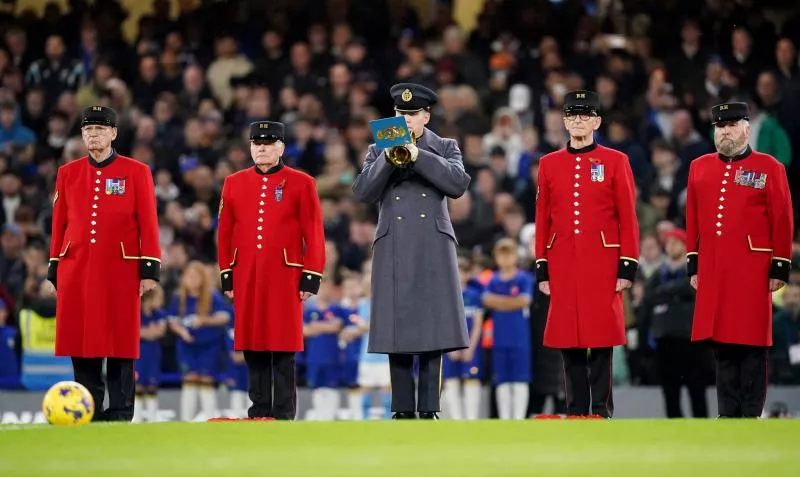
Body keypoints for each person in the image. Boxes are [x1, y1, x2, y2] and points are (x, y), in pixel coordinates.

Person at [352, 82, 472, 419]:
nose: (404, 120)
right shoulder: (379, 147)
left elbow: (458, 184)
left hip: (433, 244)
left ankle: (430, 407)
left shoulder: (446, 146)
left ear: (426, 116)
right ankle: (402, 408)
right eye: (399, 113)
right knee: (396, 324)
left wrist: (418, 155)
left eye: (411, 114)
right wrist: (390, 157)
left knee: (434, 325)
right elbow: (363, 192)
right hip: (395, 244)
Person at [47, 106, 161, 422]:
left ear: (113, 133)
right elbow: (60, 224)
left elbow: (148, 222)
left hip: (121, 269)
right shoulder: (67, 173)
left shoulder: (136, 171)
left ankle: (122, 410)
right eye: (87, 130)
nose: (93, 135)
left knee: (121, 340)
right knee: (81, 340)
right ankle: (89, 409)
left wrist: (149, 267)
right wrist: (55, 265)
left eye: (99, 129)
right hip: (77, 267)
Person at [534, 90, 640, 419]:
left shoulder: (615, 160)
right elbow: (542, 218)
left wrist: (627, 265)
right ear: (564, 122)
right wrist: (542, 267)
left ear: (597, 121)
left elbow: (628, 216)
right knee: (569, 339)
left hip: (603, 263)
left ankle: (601, 409)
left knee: (602, 337)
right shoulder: (549, 164)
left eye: (584, 115)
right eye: (571, 115)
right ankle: (576, 409)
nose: (577, 120)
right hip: (563, 262)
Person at [685, 101, 794, 418]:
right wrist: (695, 265)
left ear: (747, 128)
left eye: (732, 125)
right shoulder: (699, 167)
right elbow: (692, 219)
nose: (725, 131)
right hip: (714, 269)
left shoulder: (769, 167)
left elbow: (783, 220)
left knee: (752, 343)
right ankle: (727, 413)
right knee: (722, 344)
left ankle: (751, 411)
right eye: (720, 126)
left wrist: (779, 266)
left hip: (753, 268)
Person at [217, 120, 325, 420]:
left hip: (285, 274)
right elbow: (224, 233)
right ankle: (259, 409)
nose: (261, 148)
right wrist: (227, 272)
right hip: (246, 273)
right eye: (256, 144)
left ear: (281, 147)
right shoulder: (234, 183)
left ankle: (284, 411)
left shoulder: (302, 183)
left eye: (268, 143)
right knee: (252, 341)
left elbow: (314, 233)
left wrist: (311, 275)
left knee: (283, 343)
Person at [637, 228, 710, 418]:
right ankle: (674, 427)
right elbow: (649, 299)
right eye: (668, 243)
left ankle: (702, 427)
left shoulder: (695, 271)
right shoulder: (659, 273)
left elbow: (693, 290)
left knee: (697, 389)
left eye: (675, 242)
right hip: (666, 340)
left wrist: (666, 293)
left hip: (691, 341)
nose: (670, 246)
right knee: (670, 391)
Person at [167, 261, 231, 421]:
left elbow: (224, 317)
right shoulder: (178, 297)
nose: (192, 280)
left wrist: (203, 320)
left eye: (195, 276)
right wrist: (181, 331)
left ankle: (209, 417)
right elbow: (172, 320)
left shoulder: (212, 296)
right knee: (189, 379)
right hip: (187, 346)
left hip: (208, 345)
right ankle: (187, 420)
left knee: (206, 380)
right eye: (188, 276)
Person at [483, 238, 533, 420]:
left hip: (520, 338)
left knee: (520, 379)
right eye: (501, 254)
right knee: (502, 380)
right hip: (500, 338)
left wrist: (500, 302)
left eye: (509, 253)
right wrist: (511, 302)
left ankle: (518, 418)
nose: (505, 258)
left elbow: (525, 300)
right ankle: (505, 419)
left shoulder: (523, 278)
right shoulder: (493, 279)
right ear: (496, 257)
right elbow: (486, 299)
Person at [442, 255, 484, 420]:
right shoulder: (444, 295)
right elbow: (443, 323)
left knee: (471, 379)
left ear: (467, 275)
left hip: (471, 346)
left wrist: (470, 347)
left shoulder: (474, 295)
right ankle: (456, 420)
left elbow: (478, 324)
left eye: (461, 272)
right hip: (450, 346)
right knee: (451, 380)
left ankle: (471, 419)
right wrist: (449, 347)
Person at [133, 285, 167, 423]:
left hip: (153, 353)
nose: (161, 301)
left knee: (152, 385)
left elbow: (160, 331)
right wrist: (146, 332)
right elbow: (134, 332)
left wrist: (145, 332)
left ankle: (152, 416)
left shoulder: (159, 314)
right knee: (138, 385)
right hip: (139, 353)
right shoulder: (136, 312)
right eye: (159, 298)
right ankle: (137, 416)